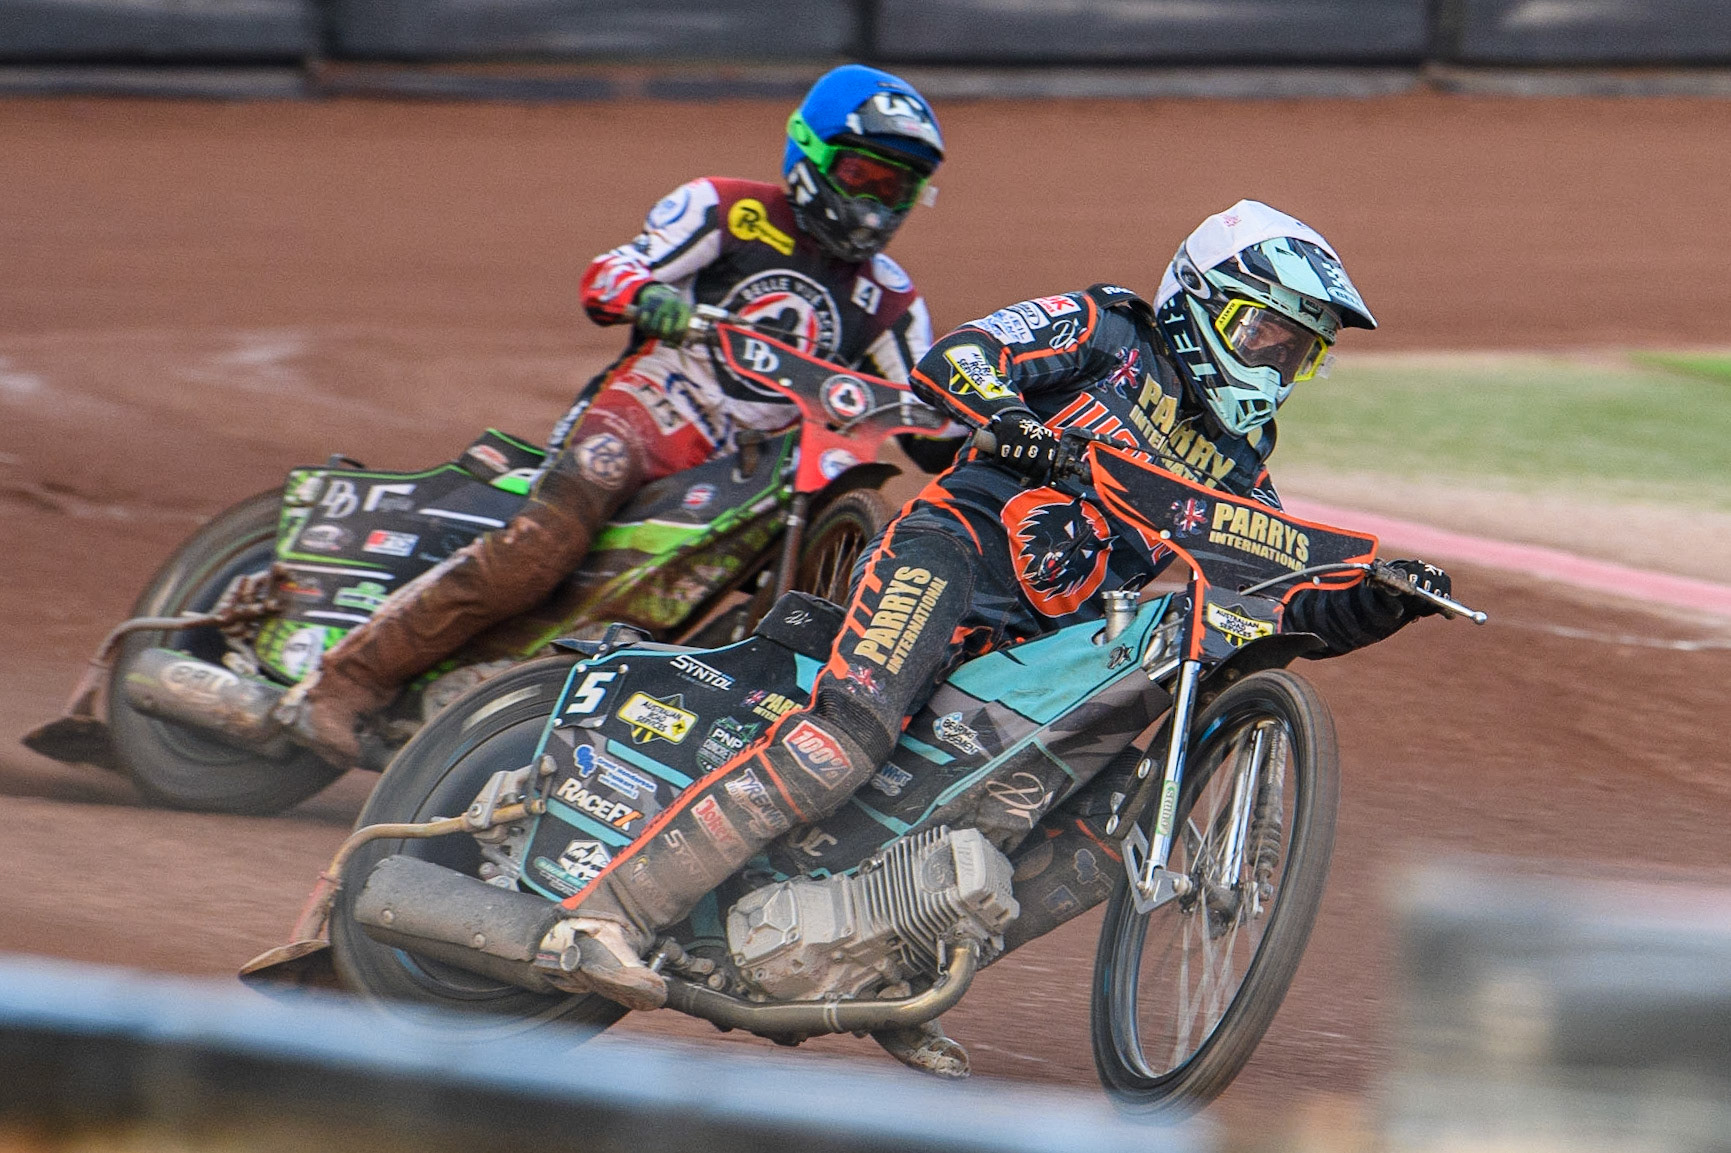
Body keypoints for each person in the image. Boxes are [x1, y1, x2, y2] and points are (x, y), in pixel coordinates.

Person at [525, 201, 1455, 1076]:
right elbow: (959, 358)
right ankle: (604, 910)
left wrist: (1376, 605)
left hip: (1045, 649)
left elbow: (1270, 598)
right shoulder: (1109, 329)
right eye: (1270, 335)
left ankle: (888, 975)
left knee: (1107, 821)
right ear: (1205, 303)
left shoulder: (1241, 459)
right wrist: (1013, 423)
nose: (1280, 364)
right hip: (950, 557)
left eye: (1300, 352)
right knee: (846, 735)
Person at [283, 64, 956, 765]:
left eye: (896, 187)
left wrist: (970, 426)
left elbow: (928, 405)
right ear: (810, 155)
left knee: (692, 595)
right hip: (645, 416)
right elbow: (610, 273)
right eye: (863, 176)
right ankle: (346, 679)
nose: (875, 204)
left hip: (747, 471)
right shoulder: (725, 209)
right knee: (539, 549)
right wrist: (647, 294)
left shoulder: (891, 299)